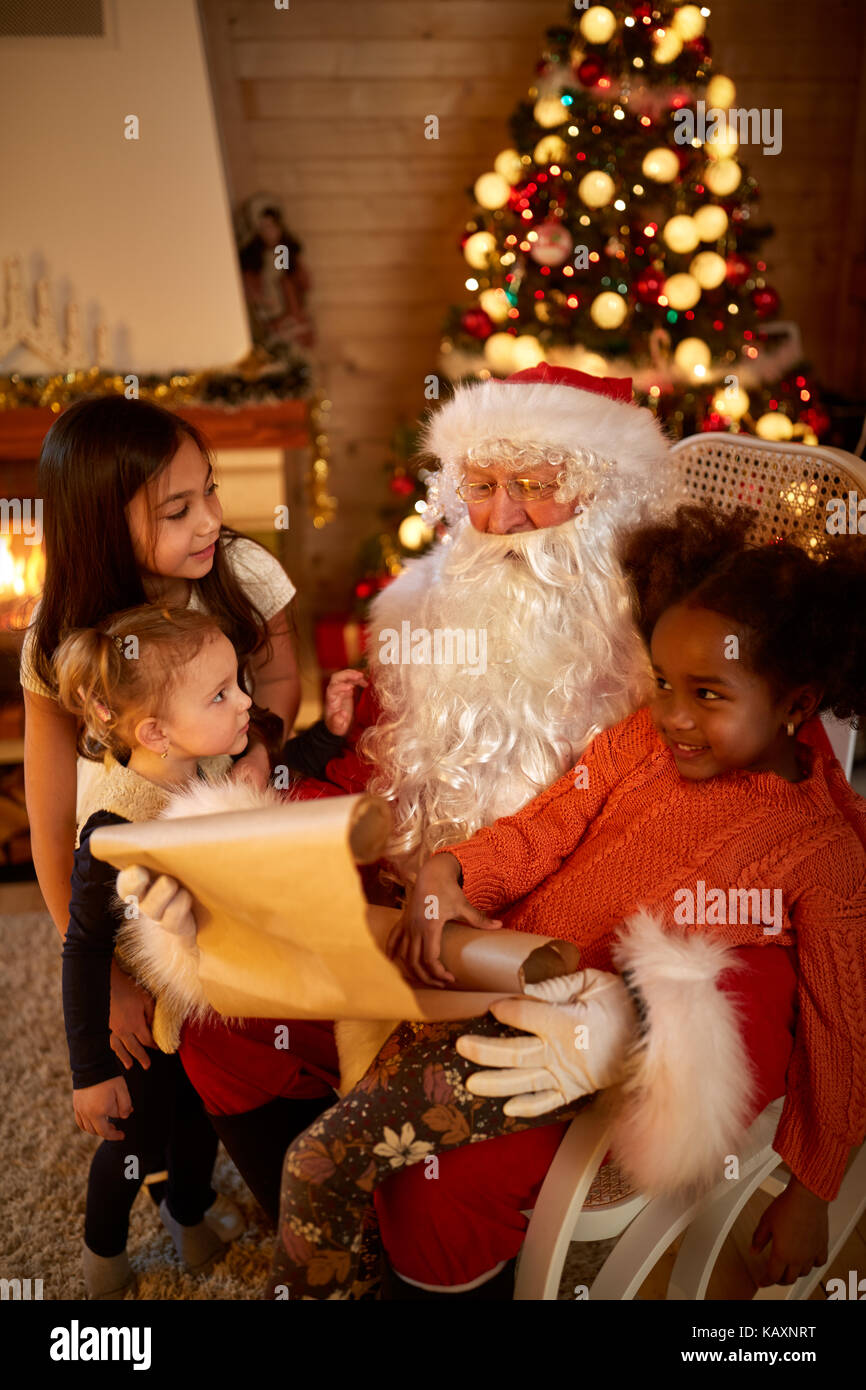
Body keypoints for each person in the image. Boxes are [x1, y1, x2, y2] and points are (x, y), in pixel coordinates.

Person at [267, 503, 866, 1300]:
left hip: (574, 1048)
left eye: (709, 695)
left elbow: (839, 1032)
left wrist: (811, 1190)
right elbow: (540, 831)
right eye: (662, 683)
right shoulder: (637, 745)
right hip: (495, 981)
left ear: (797, 702)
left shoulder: (824, 853)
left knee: (319, 1160)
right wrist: (452, 870)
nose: (675, 718)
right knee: (353, 1142)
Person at [20, 395, 313, 1227]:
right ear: (99, 528)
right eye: (178, 509)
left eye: (211, 492)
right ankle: (147, 1211)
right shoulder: (60, 633)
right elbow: (48, 816)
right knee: (150, 1067)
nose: (210, 521)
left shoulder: (243, 573)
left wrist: (262, 740)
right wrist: (105, 975)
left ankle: (265, 1156)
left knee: (236, 1018)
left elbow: (282, 678)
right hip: (124, 866)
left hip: (226, 844)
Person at [55, 606, 257, 1297]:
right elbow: (82, 950)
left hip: (195, 1002)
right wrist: (90, 1071)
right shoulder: (114, 827)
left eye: (238, 684)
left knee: (202, 1118)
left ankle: (186, 1209)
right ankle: (102, 1252)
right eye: (222, 695)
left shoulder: (204, 766)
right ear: (154, 732)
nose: (246, 702)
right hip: (137, 1024)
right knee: (133, 1141)